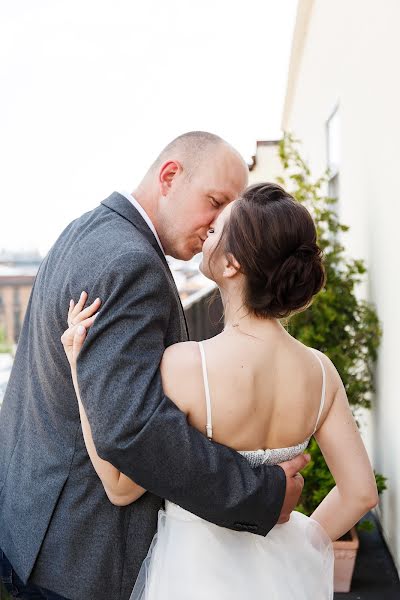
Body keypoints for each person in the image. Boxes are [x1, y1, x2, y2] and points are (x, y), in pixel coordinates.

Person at [0, 133, 307, 600]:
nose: (216, 225)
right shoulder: (130, 263)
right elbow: (133, 429)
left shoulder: (85, 229)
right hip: (86, 557)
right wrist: (259, 494)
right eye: (215, 201)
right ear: (170, 177)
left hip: (37, 528)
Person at [61, 182, 378, 599]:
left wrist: (80, 364)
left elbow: (119, 486)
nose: (206, 232)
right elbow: (359, 493)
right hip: (281, 577)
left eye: (216, 231)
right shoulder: (321, 372)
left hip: (193, 577)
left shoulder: (186, 364)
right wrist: (307, 545)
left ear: (231, 264)